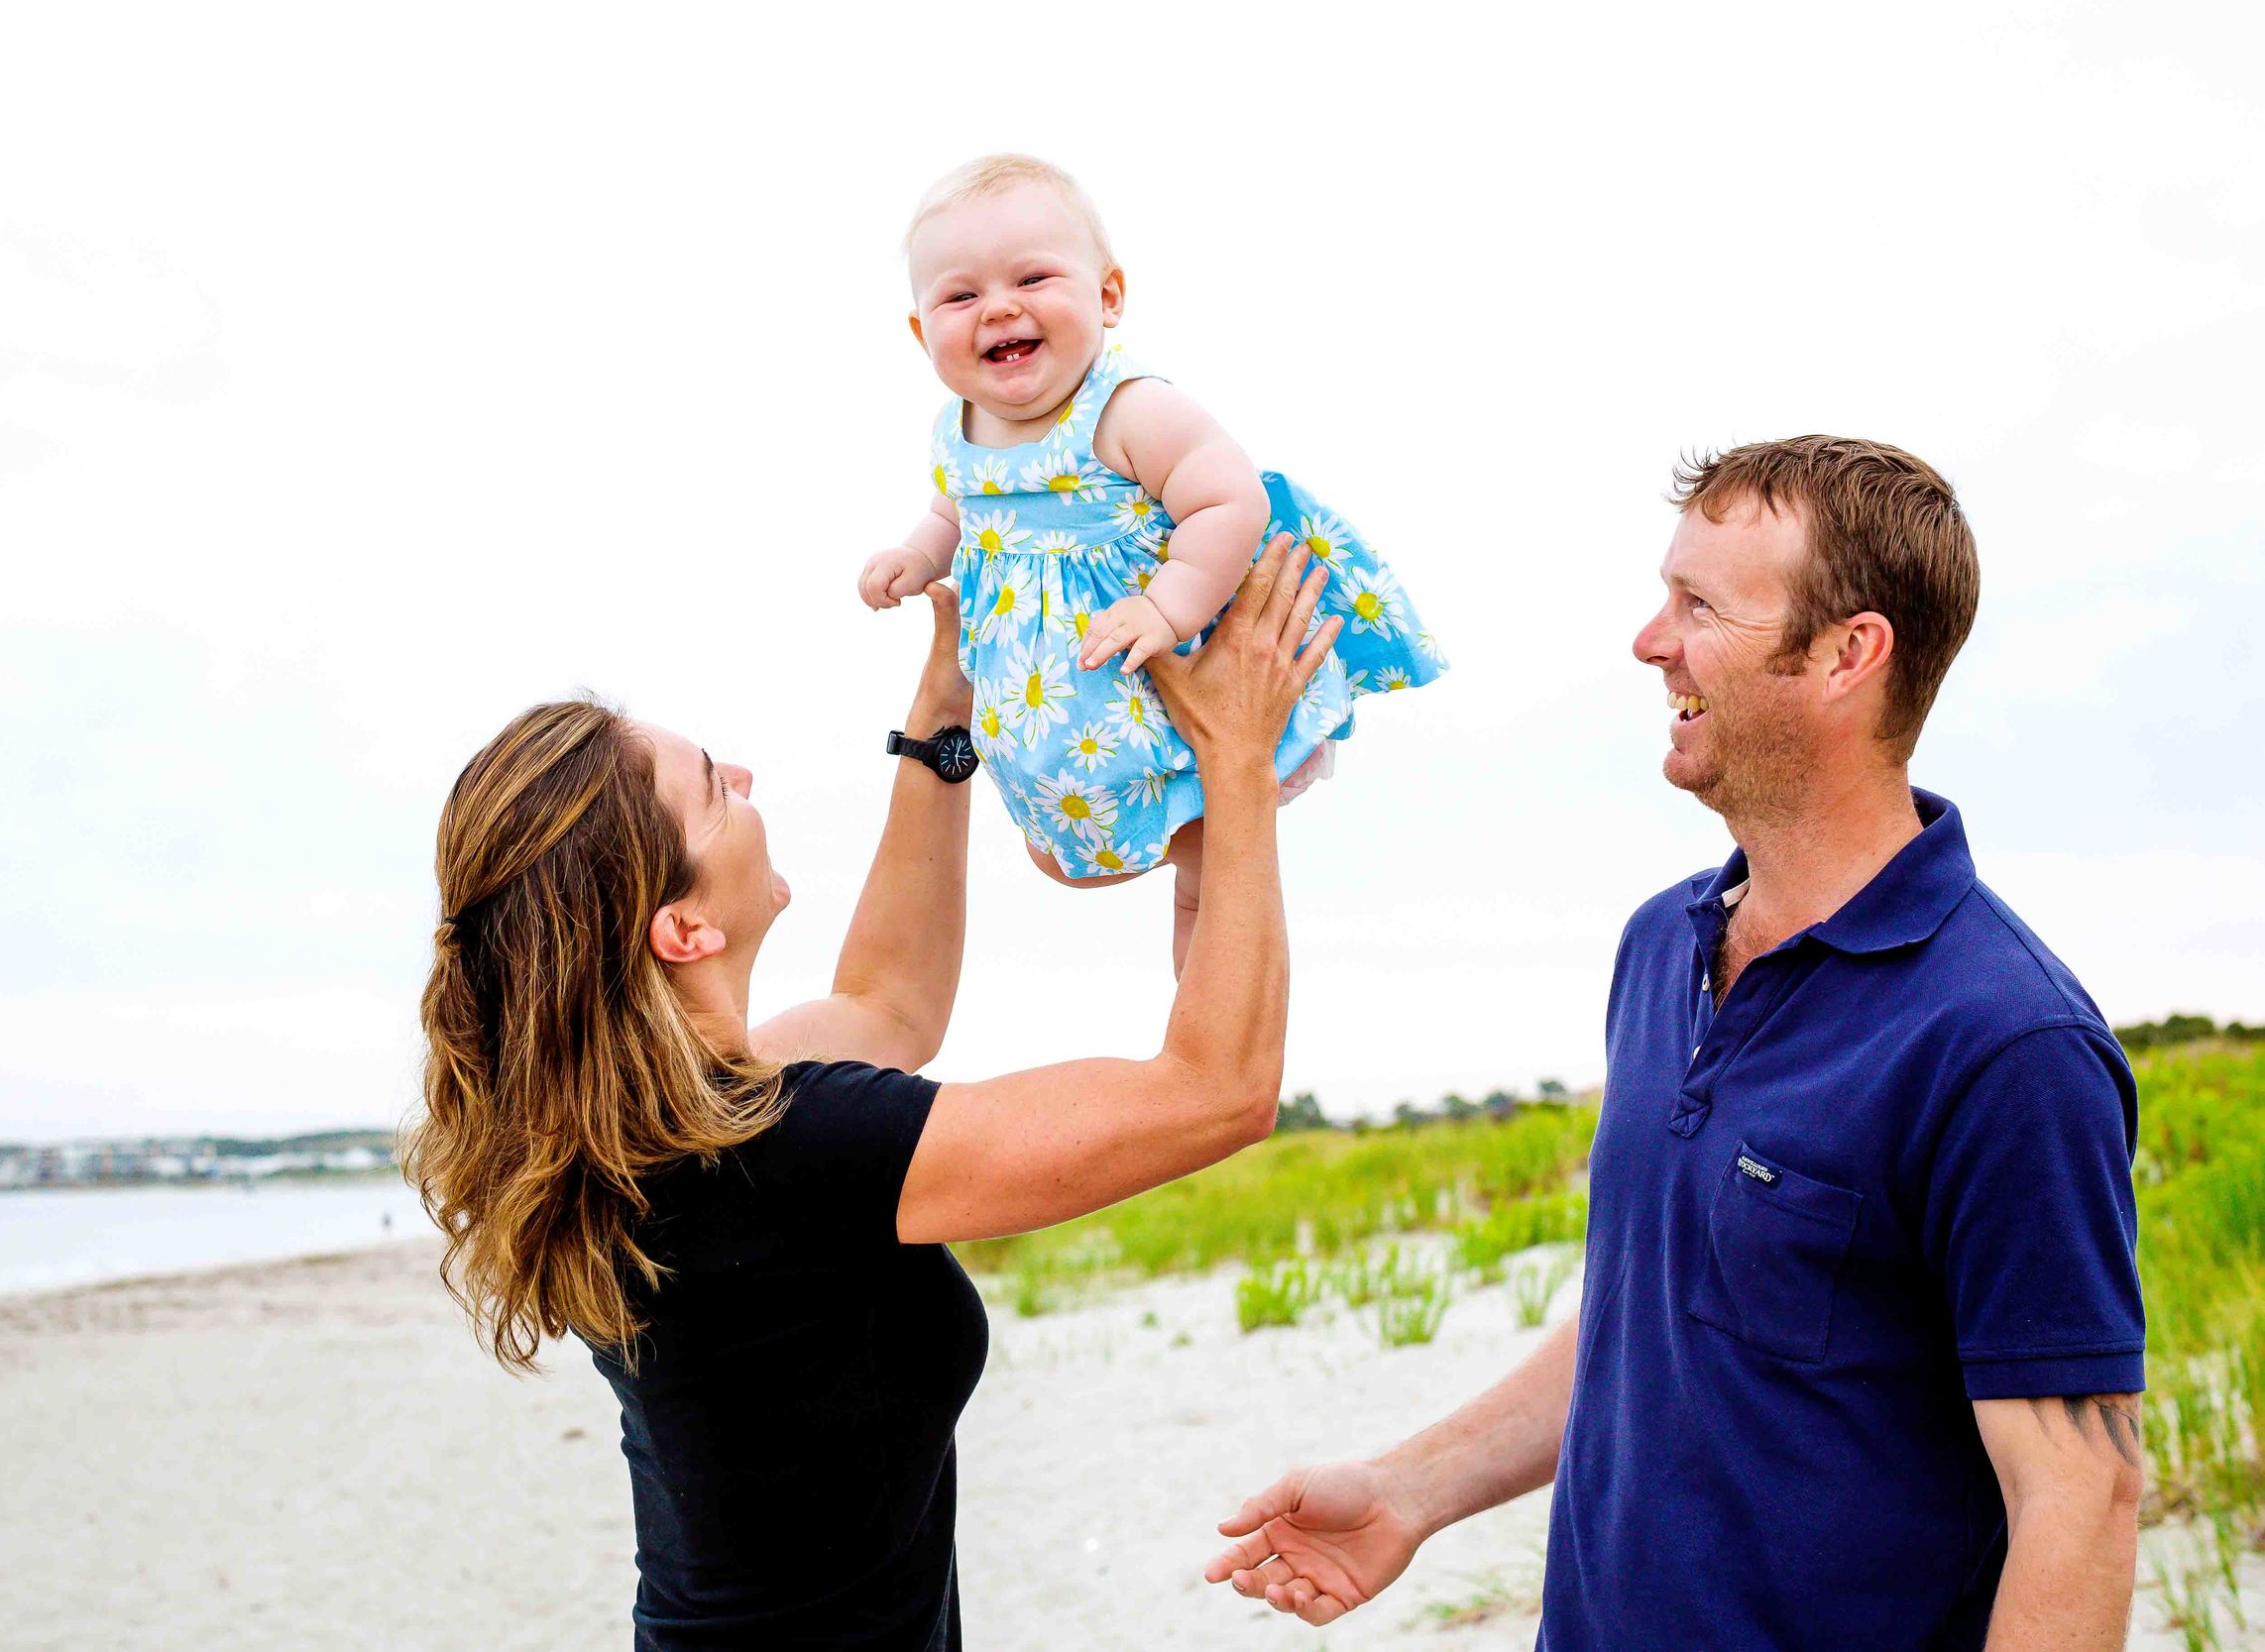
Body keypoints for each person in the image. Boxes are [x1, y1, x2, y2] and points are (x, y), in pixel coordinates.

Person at [1204, 438, 2146, 1650]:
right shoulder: (1664, 945)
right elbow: (1650, 1308)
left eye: (1698, 605)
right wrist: (1409, 1488)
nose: (1650, 641)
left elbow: (2081, 1495)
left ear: (1849, 653)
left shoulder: (2008, 1045)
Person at [408, 545, 1342, 1650]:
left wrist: (944, 710)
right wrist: (1234, 756)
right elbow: (1216, 1092)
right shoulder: (789, 1147)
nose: (746, 780)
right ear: (683, 930)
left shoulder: (639, 1136)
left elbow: (888, 1003)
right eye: (715, 790)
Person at [859, 154, 1445, 973]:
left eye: (1031, 278)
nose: (998, 308)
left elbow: (1229, 499)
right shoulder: (957, 431)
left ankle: (1208, 1024)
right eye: (961, 295)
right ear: (924, 332)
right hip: (1065, 717)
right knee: (1056, 857)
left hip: (1167, 691)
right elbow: (953, 510)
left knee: (1207, 865)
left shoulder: (1128, 408)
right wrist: (917, 556)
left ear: (1108, 297)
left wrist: (1167, 608)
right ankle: (1159, 903)